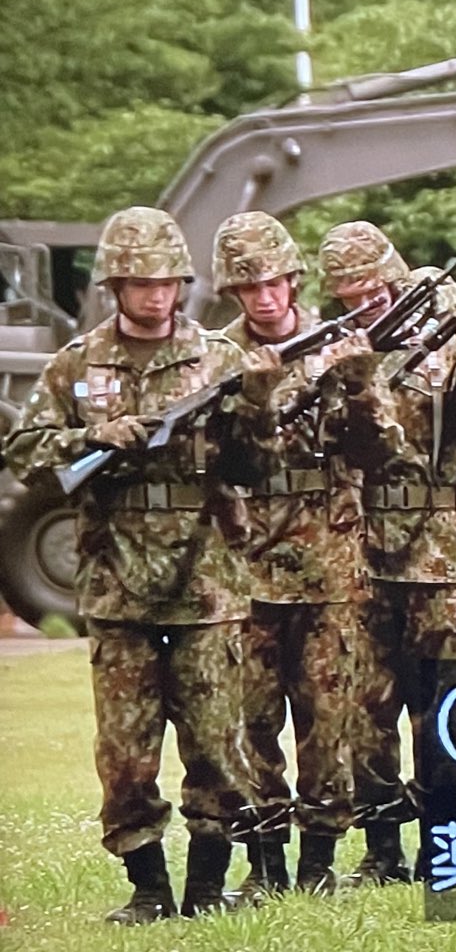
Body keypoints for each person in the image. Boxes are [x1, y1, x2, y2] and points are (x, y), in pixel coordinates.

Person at [4, 207, 281, 922]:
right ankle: (149, 890)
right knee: (126, 753)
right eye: (141, 283)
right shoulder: (77, 362)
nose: (155, 296)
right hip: (116, 581)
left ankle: (208, 888)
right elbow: (25, 452)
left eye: (166, 283)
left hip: (206, 581)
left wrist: (258, 405)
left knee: (216, 746)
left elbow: (256, 468)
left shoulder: (219, 358)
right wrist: (93, 438)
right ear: (115, 286)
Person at [318, 221, 456, 884]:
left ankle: (445, 840)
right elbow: (337, 442)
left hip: (436, 550)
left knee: (442, 707)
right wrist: (355, 380)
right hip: (359, 545)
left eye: (371, 291)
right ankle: (380, 848)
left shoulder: (444, 344)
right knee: (365, 708)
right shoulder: (337, 353)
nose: (362, 304)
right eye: (348, 296)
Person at [210, 211, 371, 899]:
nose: (265, 297)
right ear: (233, 292)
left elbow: (377, 450)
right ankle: (266, 863)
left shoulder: (335, 345)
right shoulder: (215, 357)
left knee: (327, 721)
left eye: (274, 282)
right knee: (252, 721)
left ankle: (319, 862)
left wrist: (360, 385)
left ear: (294, 281)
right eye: (249, 288)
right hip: (245, 565)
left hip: (328, 562)